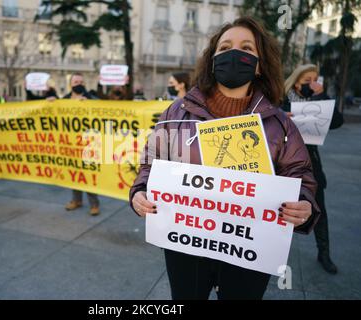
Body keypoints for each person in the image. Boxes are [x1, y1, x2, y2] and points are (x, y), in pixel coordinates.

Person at [130, 17, 320, 300]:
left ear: (259, 64)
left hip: (249, 248)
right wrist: (141, 192)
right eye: (224, 48)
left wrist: (303, 204)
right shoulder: (176, 111)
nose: (234, 54)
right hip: (186, 244)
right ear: (212, 60)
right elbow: (152, 160)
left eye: (246, 48)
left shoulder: (280, 124)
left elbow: (300, 174)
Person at [282, 64, 343, 274]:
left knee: (319, 210)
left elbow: (336, 121)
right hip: (284, 164)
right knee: (279, 209)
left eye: (315, 80)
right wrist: (282, 117)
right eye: (307, 80)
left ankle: (324, 254)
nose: (312, 84)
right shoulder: (282, 99)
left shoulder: (319, 99)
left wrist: (322, 95)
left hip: (311, 163)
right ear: (297, 80)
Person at [63, 73, 100, 216]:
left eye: (81, 82)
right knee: (74, 172)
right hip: (71, 143)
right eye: (75, 81)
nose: (78, 84)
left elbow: (102, 110)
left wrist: (91, 104)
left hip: (88, 143)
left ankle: (94, 204)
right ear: (70, 84)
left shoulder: (91, 98)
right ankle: (76, 200)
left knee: (88, 174)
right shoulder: (64, 100)